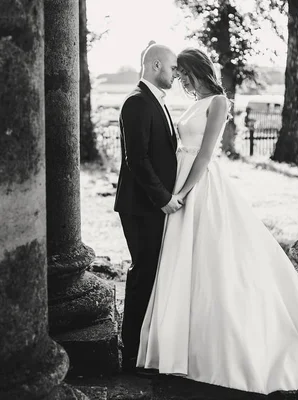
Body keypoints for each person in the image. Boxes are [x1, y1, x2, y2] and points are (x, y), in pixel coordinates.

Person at [136, 48, 298, 394]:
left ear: (195, 69)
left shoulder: (217, 103)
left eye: (182, 73)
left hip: (199, 189)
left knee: (216, 266)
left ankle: (223, 350)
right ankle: (179, 348)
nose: (179, 79)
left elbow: (207, 156)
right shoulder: (195, 101)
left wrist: (181, 193)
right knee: (184, 266)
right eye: (176, 73)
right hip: (180, 188)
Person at [113, 44, 182, 372]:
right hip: (141, 206)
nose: (175, 73)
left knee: (153, 271)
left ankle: (144, 344)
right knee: (143, 272)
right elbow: (136, 160)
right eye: (172, 68)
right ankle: (129, 351)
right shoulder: (137, 102)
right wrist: (163, 198)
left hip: (151, 206)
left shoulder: (156, 101)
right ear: (156, 65)